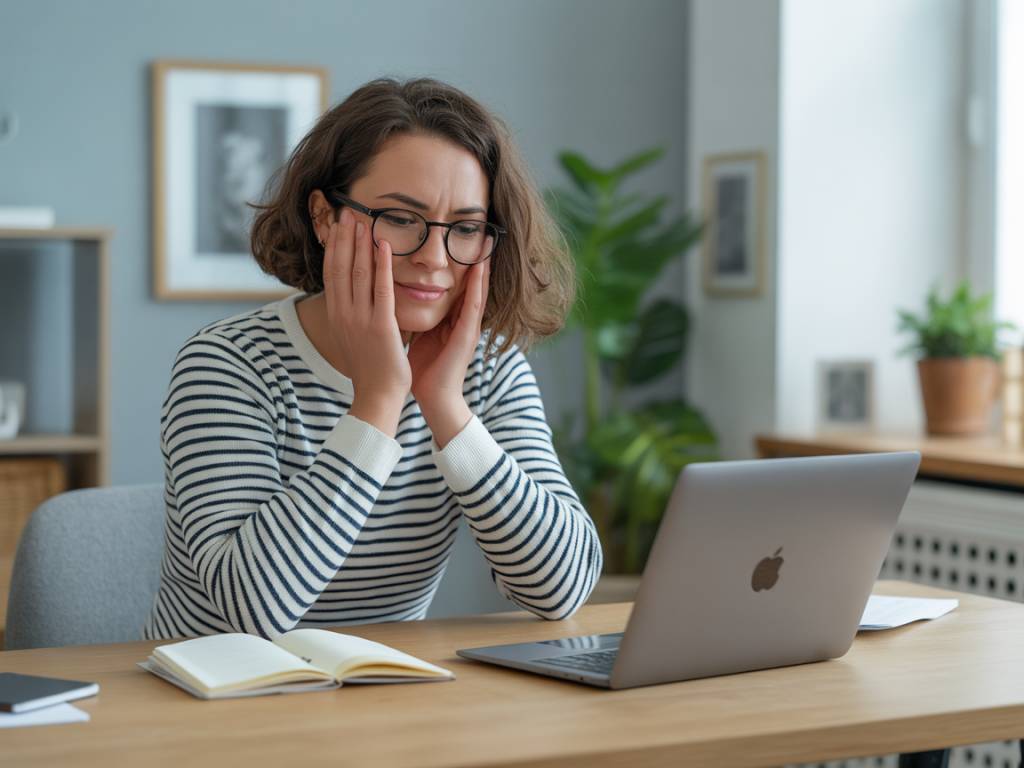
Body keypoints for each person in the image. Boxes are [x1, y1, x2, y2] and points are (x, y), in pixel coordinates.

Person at [143, 78, 603, 640]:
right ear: (324, 217)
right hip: (221, 687)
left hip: (386, 687)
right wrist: (379, 401)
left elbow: (562, 589)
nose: (435, 258)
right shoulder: (228, 364)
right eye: (401, 218)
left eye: (465, 228)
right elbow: (254, 610)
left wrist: (446, 406)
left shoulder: (489, 370)